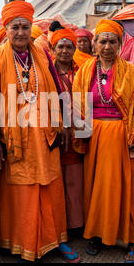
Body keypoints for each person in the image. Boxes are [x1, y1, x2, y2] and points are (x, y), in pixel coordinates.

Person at [0, 0, 79, 263]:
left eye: (25, 27)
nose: (21, 33)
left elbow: (58, 90)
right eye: (15, 27)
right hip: (15, 141)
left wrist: (65, 123)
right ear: (7, 29)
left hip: (46, 137)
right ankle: (22, 244)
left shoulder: (42, 54)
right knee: (23, 193)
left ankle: (56, 241)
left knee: (51, 189)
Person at [73, 19, 134, 263]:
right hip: (94, 137)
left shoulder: (130, 71)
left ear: (119, 44)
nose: (107, 46)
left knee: (125, 188)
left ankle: (131, 240)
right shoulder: (85, 71)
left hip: (123, 136)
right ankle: (96, 234)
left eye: (112, 41)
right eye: (102, 41)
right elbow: (76, 107)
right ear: (94, 44)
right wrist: (81, 134)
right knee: (96, 188)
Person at [49, 24, 85, 234]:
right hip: (54, 132)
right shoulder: (46, 73)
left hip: (78, 133)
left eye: (69, 47)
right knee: (56, 181)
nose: (64, 51)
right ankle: (58, 225)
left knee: (75, 180)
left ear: (74, 50)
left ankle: (76, 224)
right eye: (60, 47)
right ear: (53, 50)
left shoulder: (82, 71)